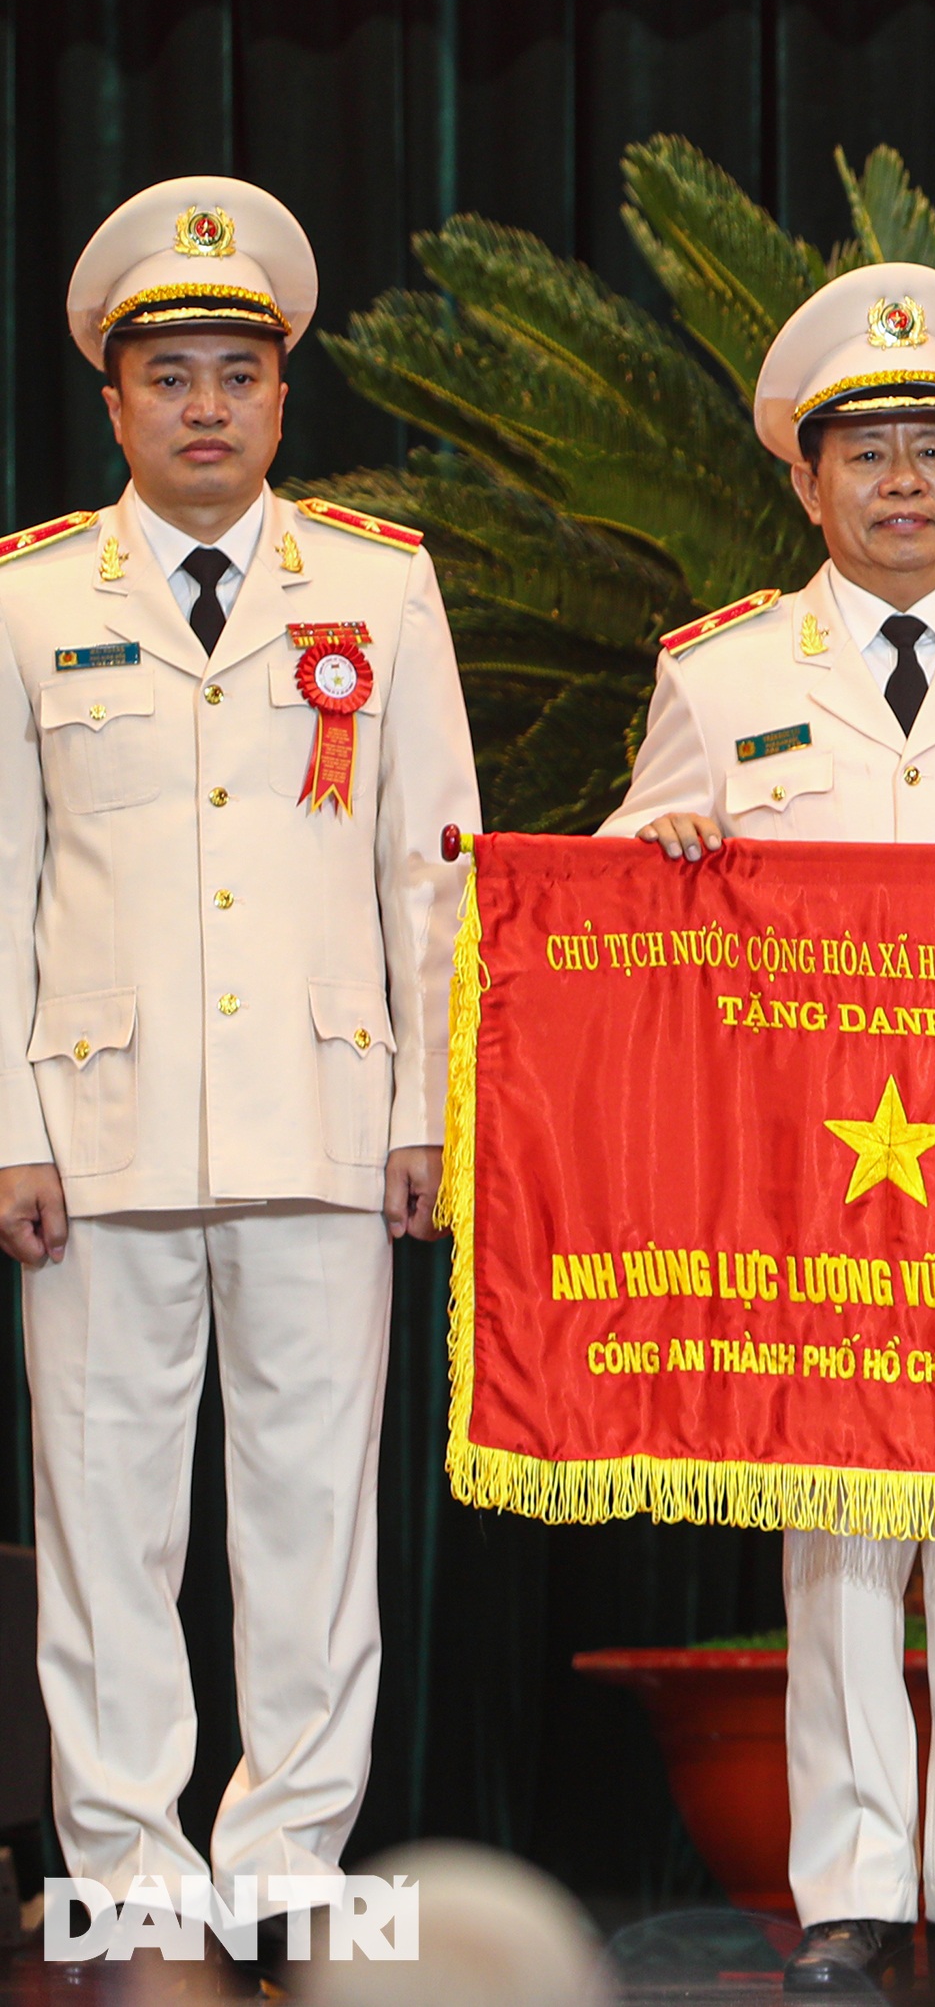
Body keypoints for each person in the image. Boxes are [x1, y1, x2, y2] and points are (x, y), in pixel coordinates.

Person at [602, 261, 935, 1997]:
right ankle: (849, 1882)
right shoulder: (722, 672)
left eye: (932, 447)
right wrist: (661, 866)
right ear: (804, 477)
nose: (903, 480)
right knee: (836, 1527)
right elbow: (607, 915)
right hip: (806, 1180)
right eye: (868, 451)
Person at [0, 176, 480, 1980]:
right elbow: (1, 877)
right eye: (170, 375)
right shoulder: (36, 596)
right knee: (106, 1515)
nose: (204, 405)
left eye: (236, 374)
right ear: (113, 405)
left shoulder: (378, 583)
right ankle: (124, 1869)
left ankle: (288, 1859)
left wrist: (431, 1103)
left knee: (309, 1508)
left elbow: (435, 864)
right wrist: (5, 1124)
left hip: (324, 1121)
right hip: (96, 1135)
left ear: (285, 401)